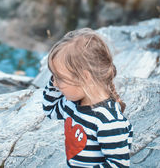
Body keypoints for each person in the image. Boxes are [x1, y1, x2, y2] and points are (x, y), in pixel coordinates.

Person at [43, 28, 133, 167]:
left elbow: (118, 165)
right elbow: (50, 110)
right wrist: (55, 80)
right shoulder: (71, 104)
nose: (54, 83)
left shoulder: (108, 122)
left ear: (85, 77)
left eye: (59, 78)